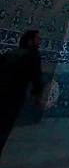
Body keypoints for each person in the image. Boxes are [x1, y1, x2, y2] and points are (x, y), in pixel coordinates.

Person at [0, 29, 44, 158]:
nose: (39, 41)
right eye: (37, 39)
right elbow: (37, 78)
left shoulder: (10, 53)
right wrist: (38, 97)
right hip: (12, 98)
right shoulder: (33, 56)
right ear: (30, 41)